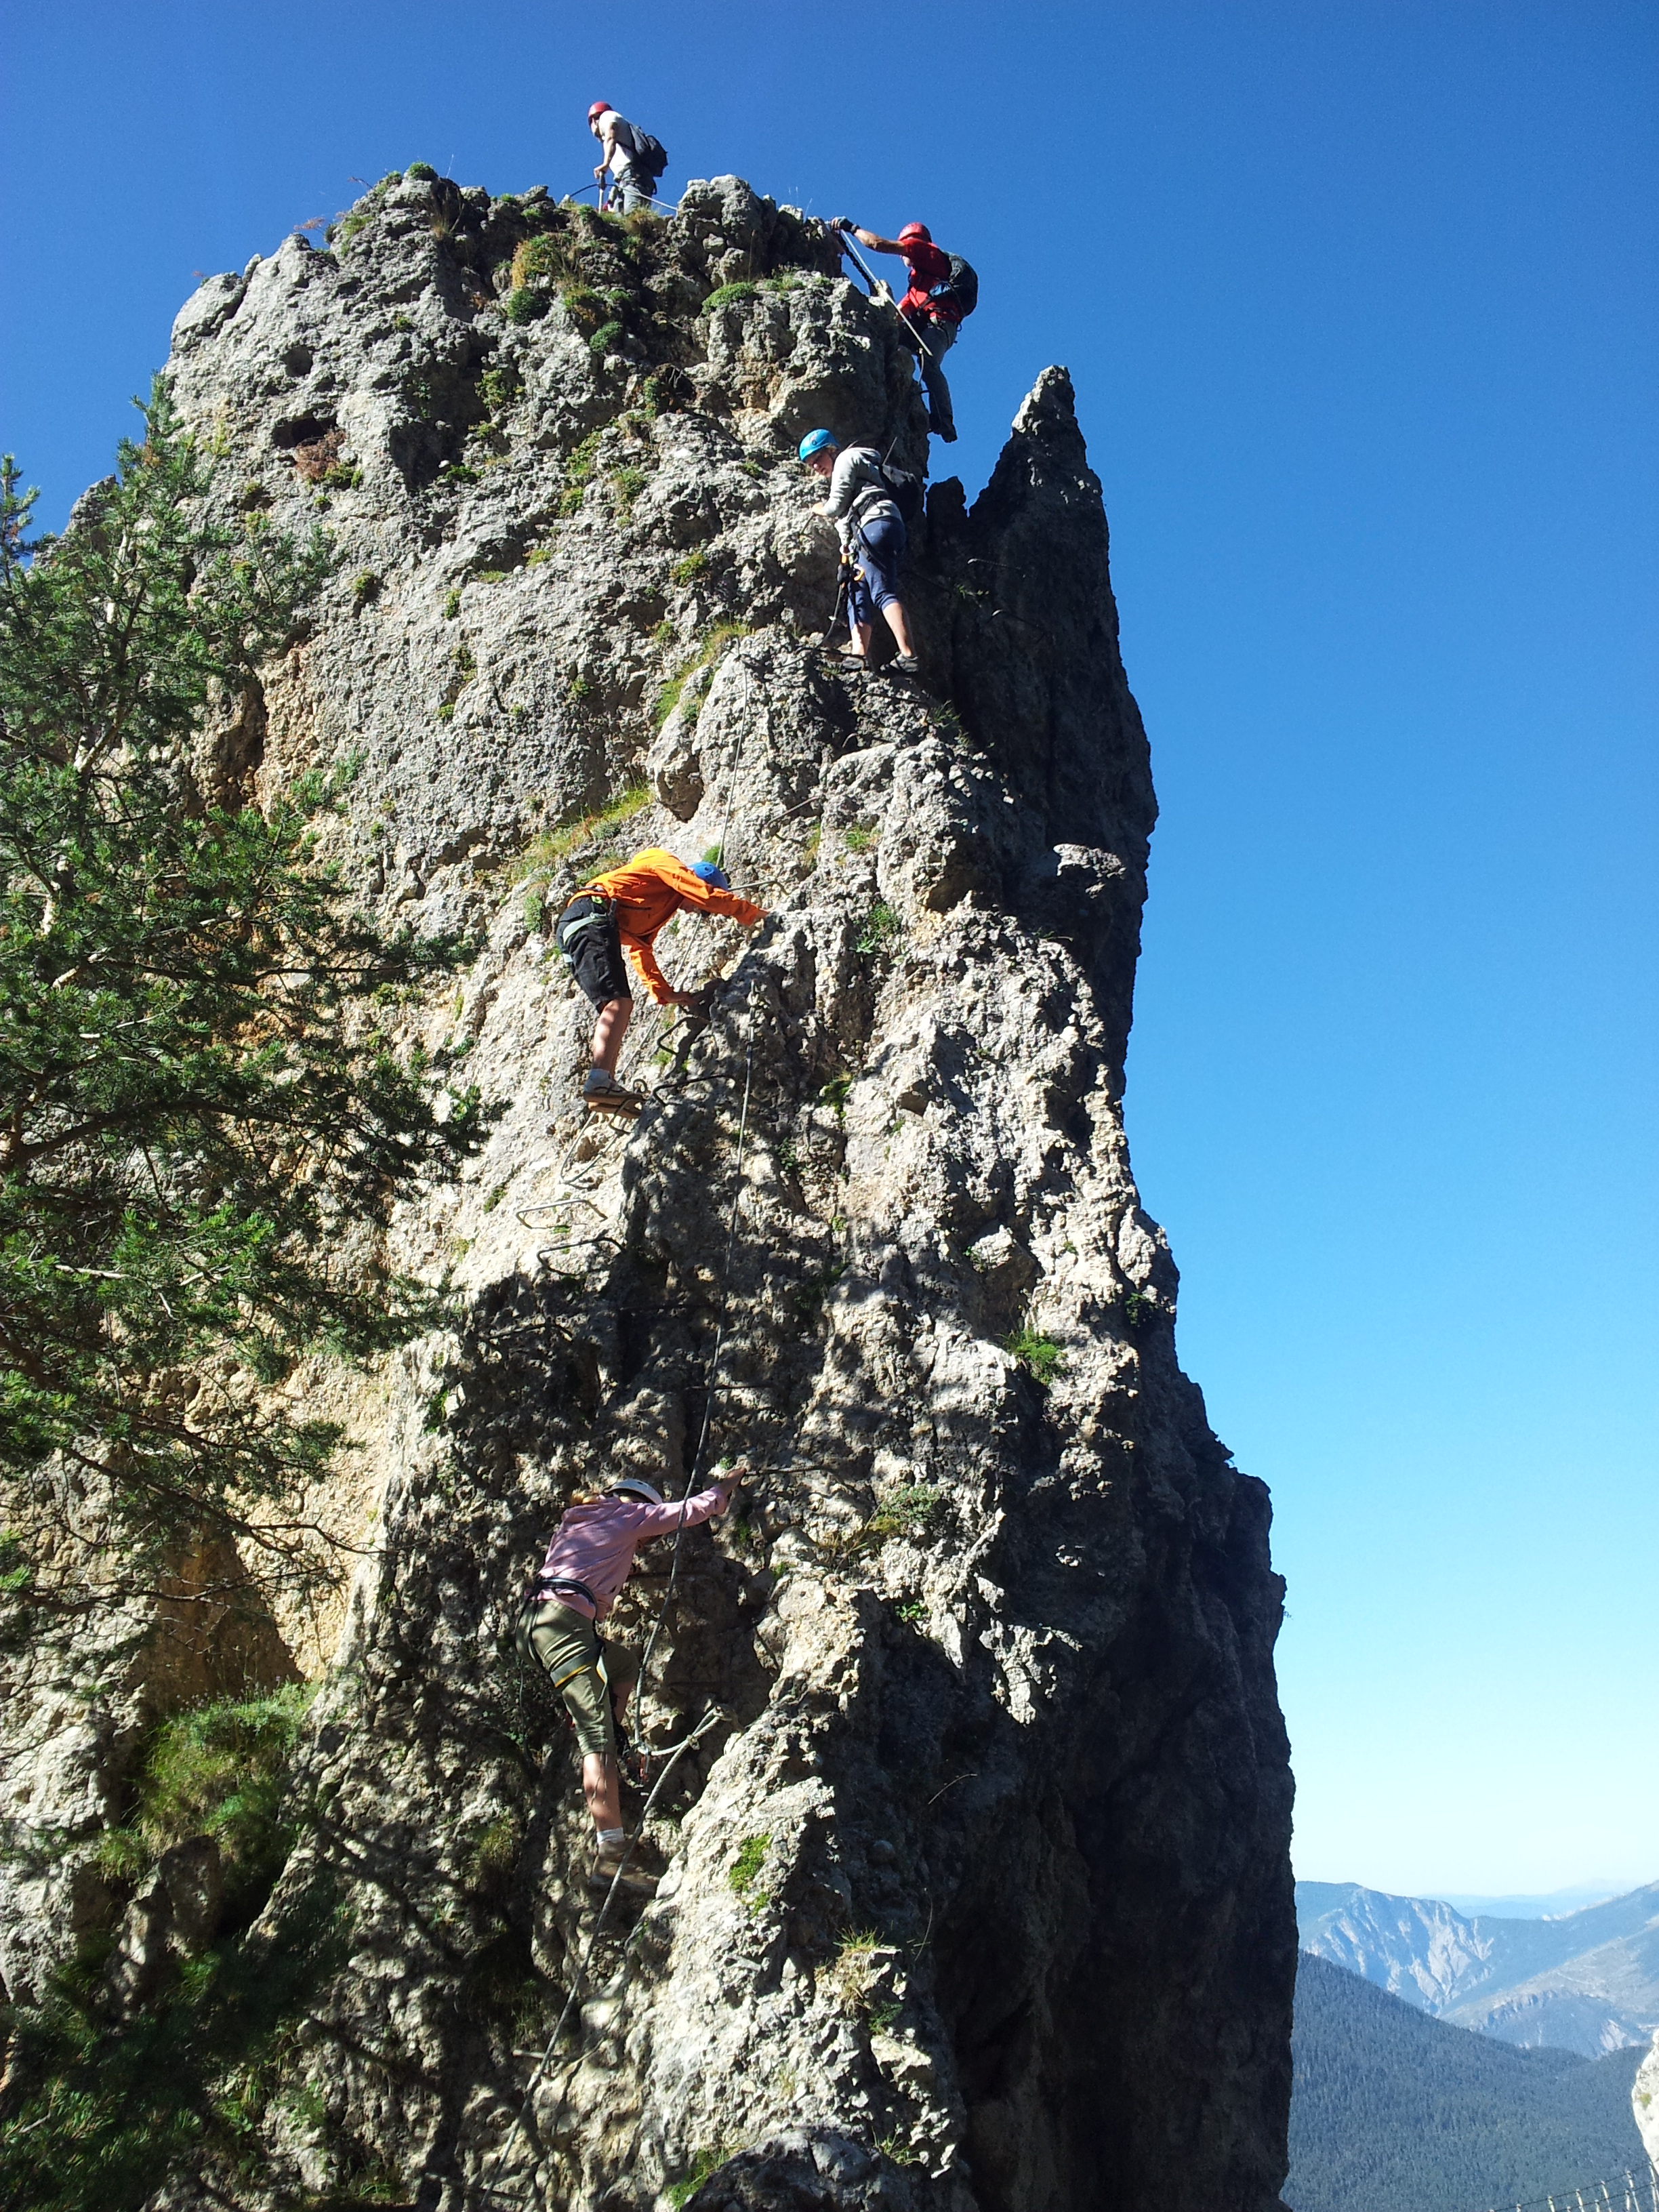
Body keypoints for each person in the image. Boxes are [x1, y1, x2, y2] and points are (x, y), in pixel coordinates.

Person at [518, 1463, 745, 1892]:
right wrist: (726, 1487)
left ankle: (610, 1726)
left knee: (621, 1666)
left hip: (540, 1624)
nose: (642, 1544)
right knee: (595, 1738)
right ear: (636, 1502)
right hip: (562, 1625)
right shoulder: (626, 1515)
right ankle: (609, 1854)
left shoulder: (580, 1519)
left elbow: (591, 1562)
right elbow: (690, 1511)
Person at [554, 848, 766, 1111]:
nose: (693, 912)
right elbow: (704, 894)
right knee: (618, 1004)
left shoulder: (657, 905)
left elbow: (640, 949)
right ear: (695, 883)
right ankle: (599, 1081)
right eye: (700, 909)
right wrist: (753, 914)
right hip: (591, 914)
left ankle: (601, 1087)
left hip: (582, 924)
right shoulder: (664, 864)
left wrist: (664, 992)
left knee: (615, 1005)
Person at [832, 219, 968, 444]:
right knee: (896, 343)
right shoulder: (921, 281)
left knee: (928, 362)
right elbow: (901, 311)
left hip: (940, 325)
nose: (902, 254)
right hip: (935, 326)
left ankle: (945, 421)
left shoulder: (925, 251)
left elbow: (878, 244)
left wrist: (852, 229)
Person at [798, 430, 919, 677]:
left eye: (818, 459)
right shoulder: (854, 472)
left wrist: (819, 509)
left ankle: (909, 656)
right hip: (875, 530)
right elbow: (846, 523)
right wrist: (846, 559)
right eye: (812, 465)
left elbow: (835, 507)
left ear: (831, 450)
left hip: (875, 526)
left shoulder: (847, 459)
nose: (816, 467)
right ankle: (858, 655)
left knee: (882, 592)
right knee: (856, 591)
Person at [588, 100, 661, 215]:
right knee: (620, 221)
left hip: (634, 176)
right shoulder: (614, 125)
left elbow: (611, 138)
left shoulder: (607, 116)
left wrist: (606, 164)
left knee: (632, 217)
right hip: (627, 180)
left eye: (594, 119)